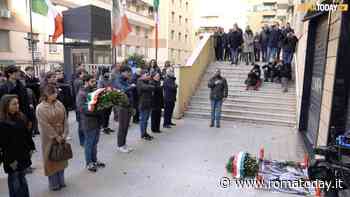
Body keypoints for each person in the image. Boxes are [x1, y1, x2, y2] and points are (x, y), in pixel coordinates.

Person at [0, 94, 35, 197]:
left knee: (22, 180)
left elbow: (26, 135)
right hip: (12, 159)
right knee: (15, 182)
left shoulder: (20, 117)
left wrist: (31, 147)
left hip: (22, 155)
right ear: (6, 105)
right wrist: (12, 161)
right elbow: (4, 144)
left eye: (18, 103)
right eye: (14, 104)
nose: (17, 105)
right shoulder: (2, 123)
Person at [36, 85, 69, 191]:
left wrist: (64, 133)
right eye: (53, 93)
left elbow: (65, 119)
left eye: (56, 92)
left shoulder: (59, 103)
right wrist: (55, 136)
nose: (56, 94)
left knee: (61, 157)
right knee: (51, 159)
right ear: (46, 94)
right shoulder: (40, 108)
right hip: (48, 138)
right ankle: (53, 183)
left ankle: (61, 180)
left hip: (61, 134)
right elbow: (44, 125)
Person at [76, 74, 105, 172]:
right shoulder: (81, 94)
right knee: (89, 143)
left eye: (95, 81)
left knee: (95, 143)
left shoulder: (93, 91)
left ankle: (94, 160)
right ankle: (89, 163)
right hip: (89, 123)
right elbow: (82, 108)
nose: (94, 83)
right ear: (86, 82)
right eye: (92, 81)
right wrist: (97, 109)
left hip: (97, 121)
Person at [113, 65, 135, 153]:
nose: (129, 74)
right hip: (121, 106)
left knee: (126, 126)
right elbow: (123, 90)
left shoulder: (125, 80)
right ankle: (120, 145)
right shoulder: (118, 80)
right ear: (123, 72)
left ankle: (123, 144)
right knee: (122, 126)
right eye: (128, 72)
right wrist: (131, 86)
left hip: (127, 105)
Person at [137, 70, 155, 141]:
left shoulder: (147, 81)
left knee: (146, 120)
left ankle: (145, 133)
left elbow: (152, 86)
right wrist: (151, 85)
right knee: (143, 120)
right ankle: (143, 134)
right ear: (142, 75)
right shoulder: (139, 81)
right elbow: (147, 87)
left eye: (148, 75)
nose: (149, 76)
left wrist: (150, 85)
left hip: (148, 103)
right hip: (143, 104)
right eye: (146, 75)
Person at [97, 67, 114, 135]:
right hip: (103, 100)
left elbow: (111, 86)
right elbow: (99, 90)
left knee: (108, 114)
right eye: (107, 72)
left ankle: (106, 127)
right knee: (104, 114)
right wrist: (107, 89)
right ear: (103, 73)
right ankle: (103, 128)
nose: (108, 74)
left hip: (109, 99)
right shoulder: (101, 80)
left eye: (108, 72)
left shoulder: (108, 79)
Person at [73, 69, 87, 146]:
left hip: (78, 102)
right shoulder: (79, 82)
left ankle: (82, 140)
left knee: (81, 123)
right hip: (80, 103)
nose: (84, 75)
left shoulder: (77, 81)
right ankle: (82, 141)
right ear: (79, 74)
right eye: (83, 73)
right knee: (81, 124)